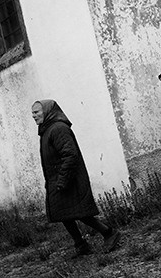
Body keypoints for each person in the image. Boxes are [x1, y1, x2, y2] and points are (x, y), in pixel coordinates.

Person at [31, 100, 121, 256]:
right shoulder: (47, 130)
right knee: (63, 214)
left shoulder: (58, 129)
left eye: (36, 112)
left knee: (81, 213)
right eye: (32, 113)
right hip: (57, 180)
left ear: (47, 111)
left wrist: (63, 180)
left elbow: (70, 155)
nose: (33, 116)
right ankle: (81, 244)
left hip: (69, 179)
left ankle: (109, 233)